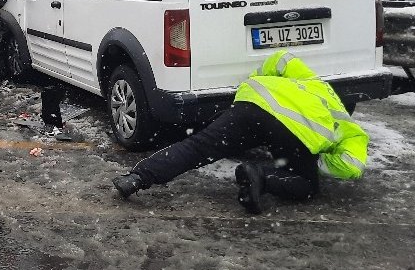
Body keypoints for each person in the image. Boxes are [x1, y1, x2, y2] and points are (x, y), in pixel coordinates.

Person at [111, 50, 369, 214]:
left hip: (253, 105)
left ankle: (136, 178)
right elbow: (351, 165)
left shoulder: (314, 83)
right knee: (307, 185)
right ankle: (260, 177)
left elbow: (280, 59)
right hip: (292, 135)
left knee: (198, 147)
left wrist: (252, 82)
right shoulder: (351, 130)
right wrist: (318, 160)